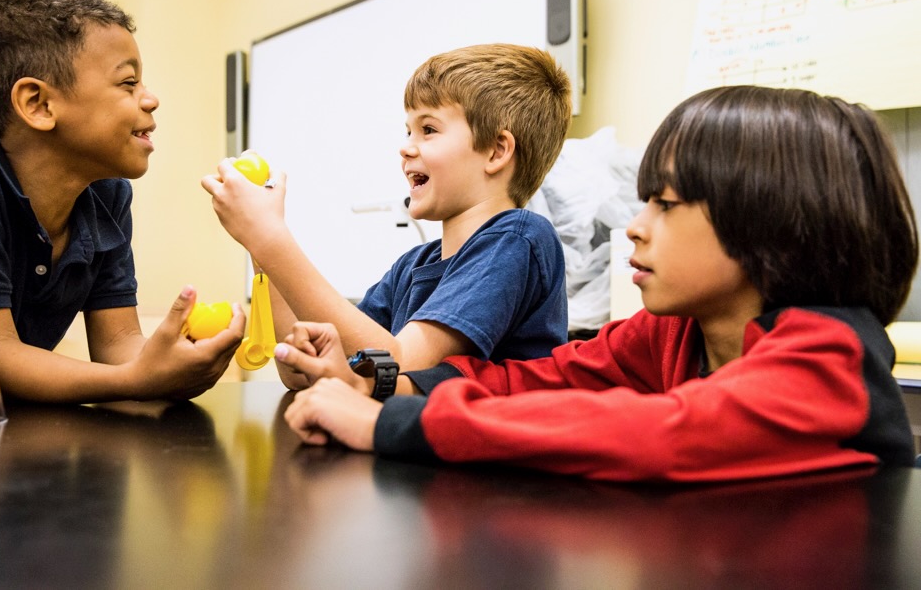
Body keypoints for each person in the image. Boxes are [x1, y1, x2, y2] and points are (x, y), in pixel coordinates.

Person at [276, 85, 919, 482]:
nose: (634, 229)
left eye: (663, 204)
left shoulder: (827, 356)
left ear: (773, 229)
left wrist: (387, 428)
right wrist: (382, 381)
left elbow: (660, 432)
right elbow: (536, 379)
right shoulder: (668, 334)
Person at [0, 0, 244, 403]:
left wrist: (174, 359)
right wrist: (139, 381)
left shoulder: (106, 195)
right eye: (128, 82)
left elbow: (119, 343)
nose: (151, 98)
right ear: (37, 104)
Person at [202, 44, 572, 385]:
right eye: (408, 130)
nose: (406, 147)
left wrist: (270, 237)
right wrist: (262, 251)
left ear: (496, 151)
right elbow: (307, 371)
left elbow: (400, 366)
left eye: (428, 129)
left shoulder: (518, 239)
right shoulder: (412, 268)